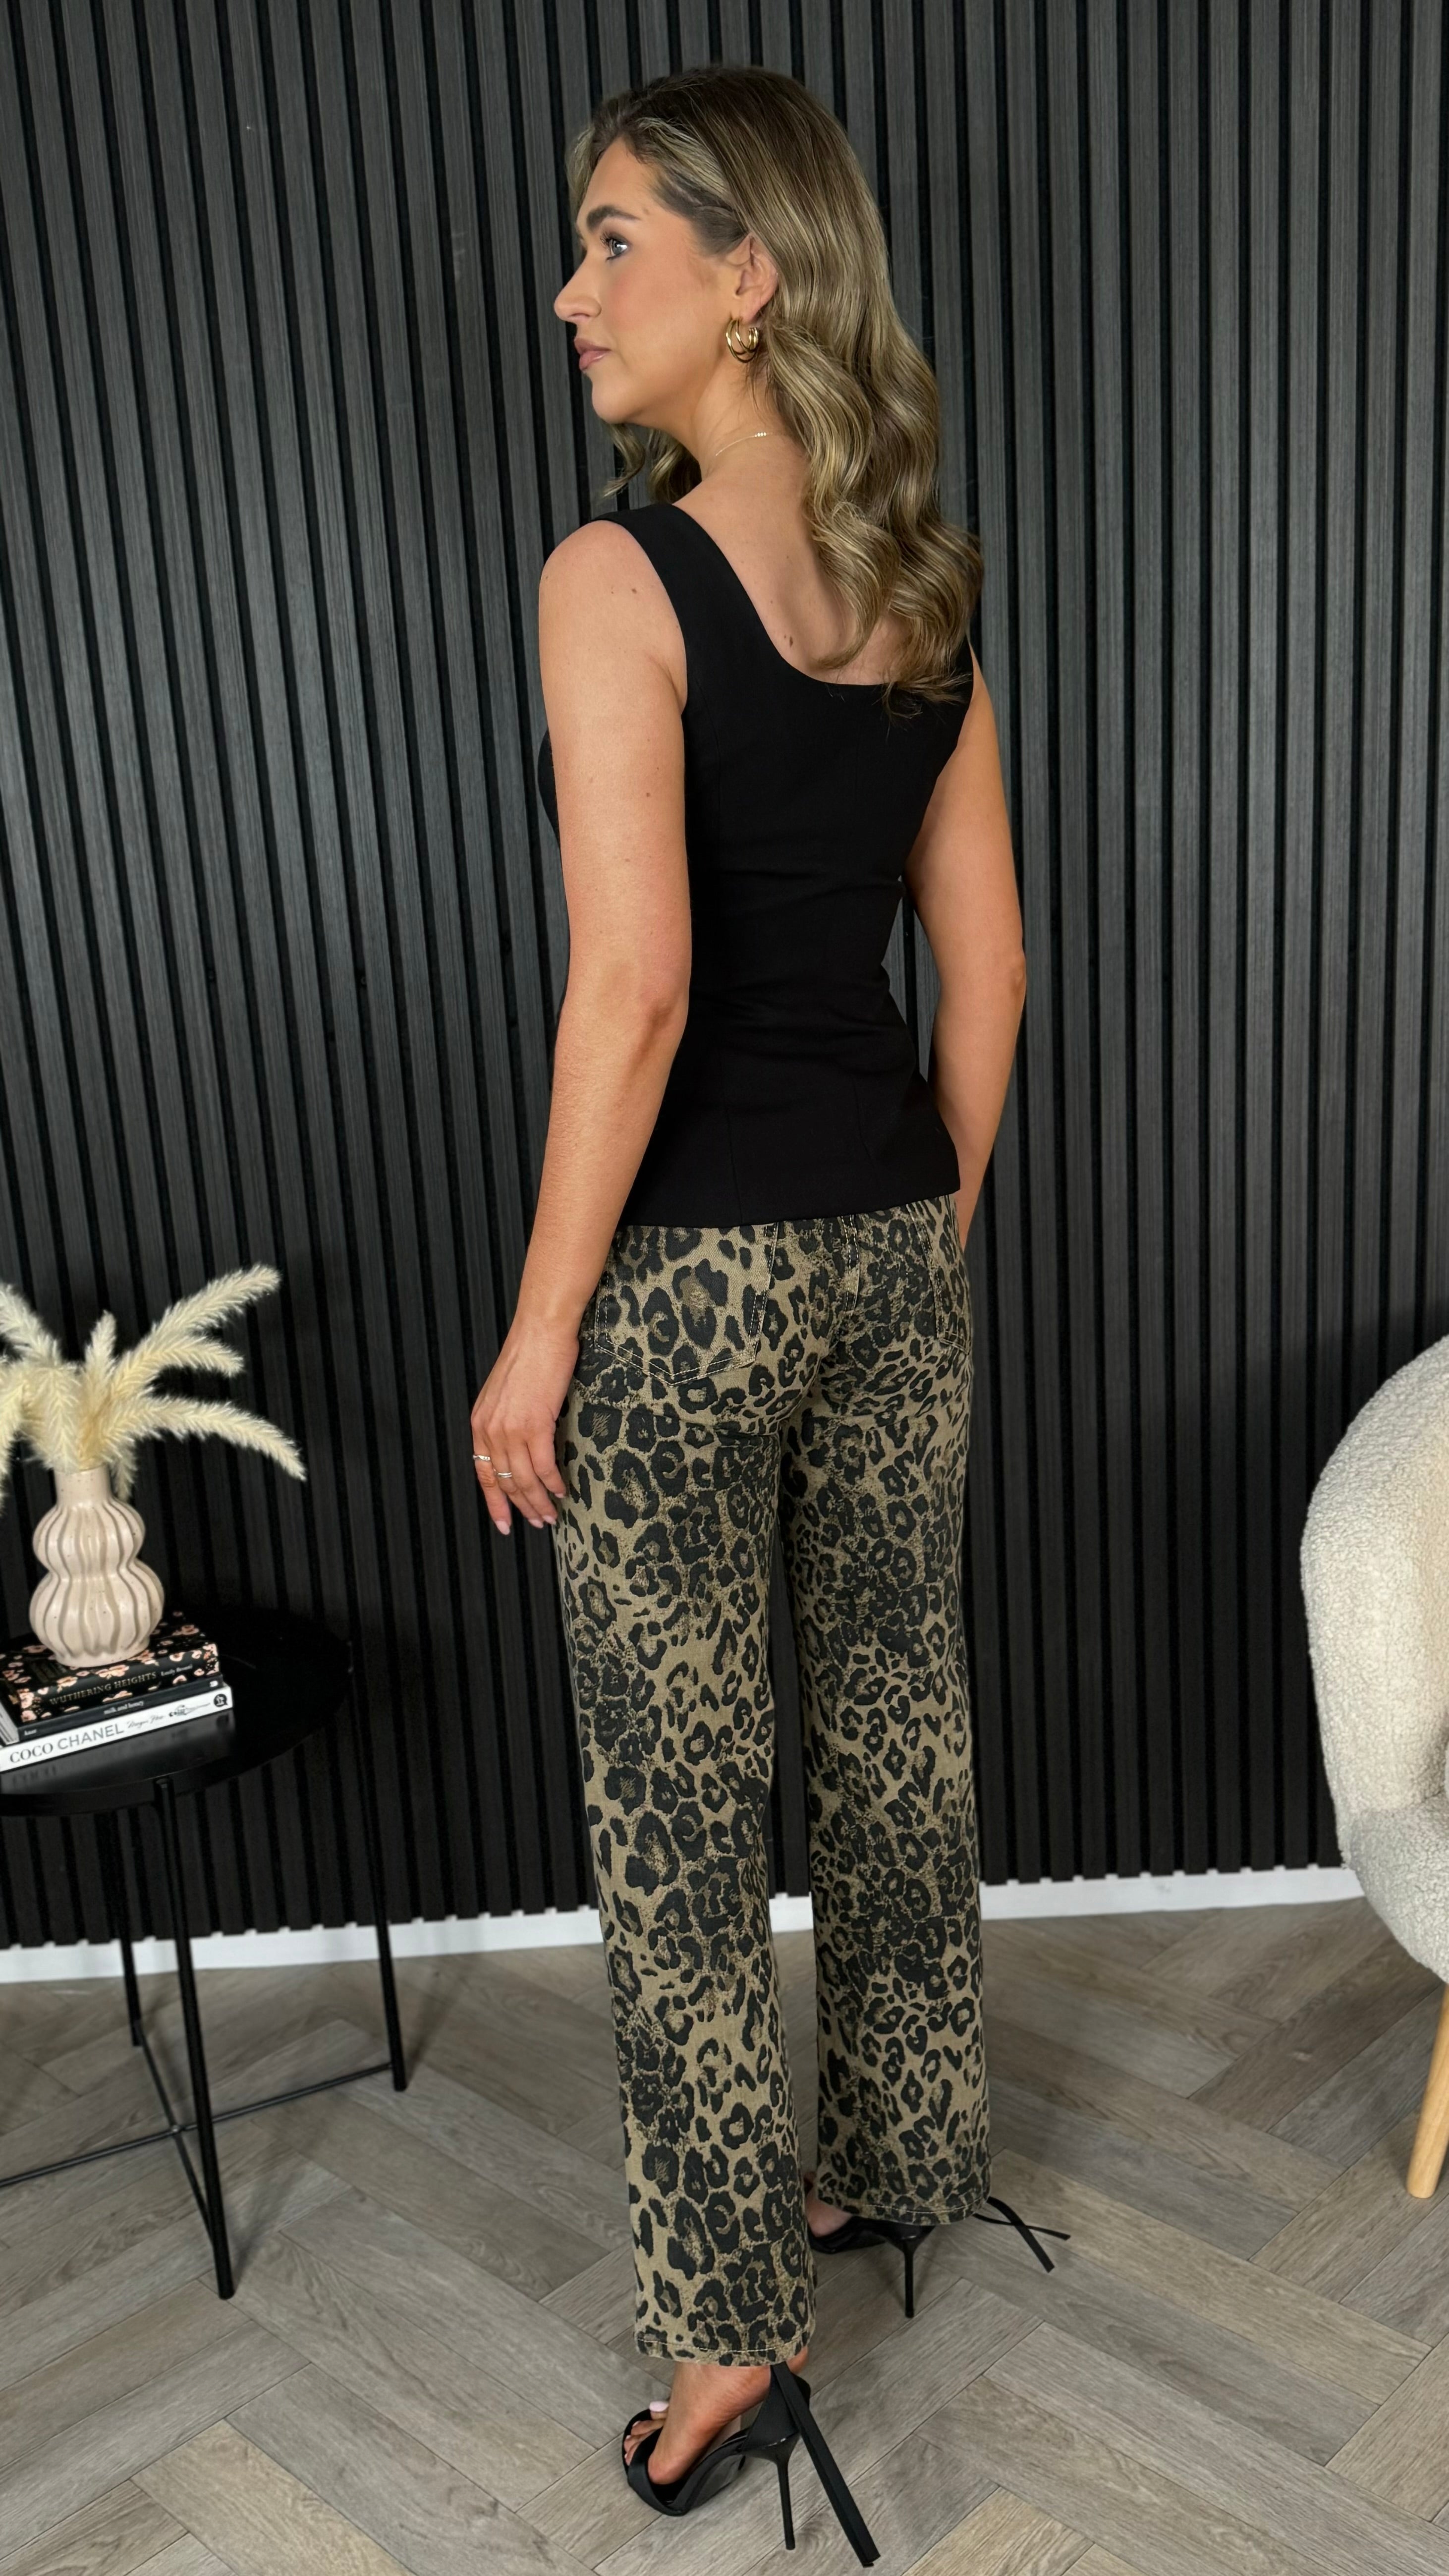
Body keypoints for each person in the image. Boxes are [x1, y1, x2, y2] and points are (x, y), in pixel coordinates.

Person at [469, 60, 1063, 2560]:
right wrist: (922, 1234)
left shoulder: (613, 580)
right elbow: (987, 975)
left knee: (680, 1816)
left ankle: (727, 2335)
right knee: (899, 1735)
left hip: (687, 1287)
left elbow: (631, 987)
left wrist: (539, 1336)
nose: (569, 288)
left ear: (753, 274)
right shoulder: (920, 593)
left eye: (615, 237)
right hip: (889, 1247)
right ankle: (898, 2154)